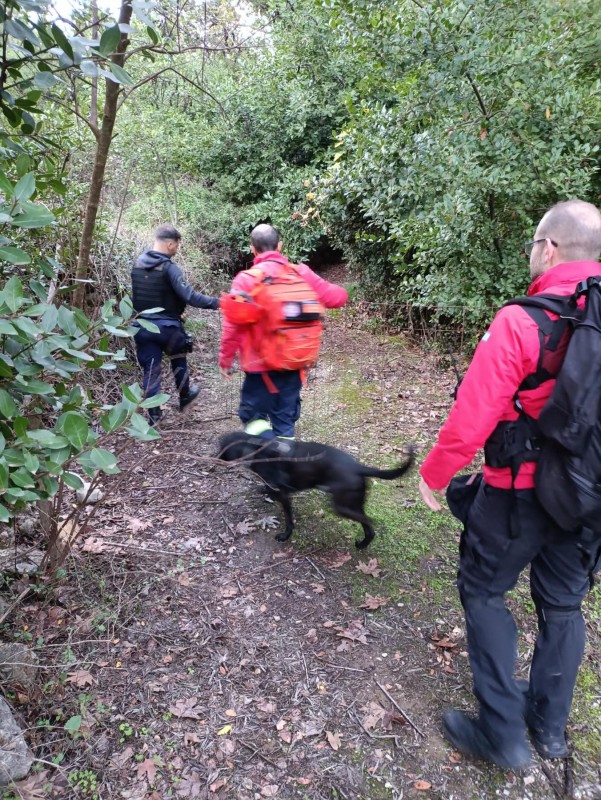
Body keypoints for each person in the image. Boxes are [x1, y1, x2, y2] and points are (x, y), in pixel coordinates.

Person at [418, 199, 601, 771]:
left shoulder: (523, 321)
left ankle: (502, 734)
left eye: (533, 245)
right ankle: (548, 730)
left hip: (518, 492)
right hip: (589, 496)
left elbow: (473, 413)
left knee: (482, 592)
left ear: (549, 248)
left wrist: (435, 473)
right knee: (564, 604)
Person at [218, 223, 348, 439]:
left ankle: (267, 450)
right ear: (279, 245)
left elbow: (233, 325)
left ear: (253, 249)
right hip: (293, 361)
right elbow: (338, 298)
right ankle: (285, 452)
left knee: (253, 419)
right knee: (285, 420)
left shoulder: (246, 280)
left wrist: (226, 359)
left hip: (259, 367)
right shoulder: (301, 273)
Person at [131, 224, 219, 425]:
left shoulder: (137, 264)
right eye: (177, 245)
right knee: (178, 357)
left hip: (142, 327)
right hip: (168, 328)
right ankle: (185, 395)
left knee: (151, 370)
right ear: (170, 244)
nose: (176, 249)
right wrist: (218, 303)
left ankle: (154, 417)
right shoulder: (169, 268)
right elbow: (190, 297)